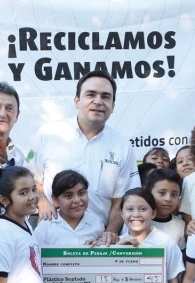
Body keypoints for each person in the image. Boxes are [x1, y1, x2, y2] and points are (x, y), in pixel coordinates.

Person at [28, 70, 140, 233]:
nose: (98, 101)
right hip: (51, 237)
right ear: (77, 101)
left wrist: (111, 232)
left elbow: (122, 200)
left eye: (105, 97)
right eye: (91, 94)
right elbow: (30, 177)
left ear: (113, 106)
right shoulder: (48, 133)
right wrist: (42, 200)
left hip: (98, 240)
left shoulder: (121, 145)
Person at [32, 170, 107, 247]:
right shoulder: (46, 227)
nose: (77, 200)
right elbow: (35, 254)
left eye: (81, 193)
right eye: (68, 196)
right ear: (55, 200)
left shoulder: (96, 223)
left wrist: (98, 246)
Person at [146, 168, 186, 249]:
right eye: (162, 193)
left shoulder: (180, 224)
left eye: (174, 195)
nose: (168, 199)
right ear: (149, 193)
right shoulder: (138, 221)